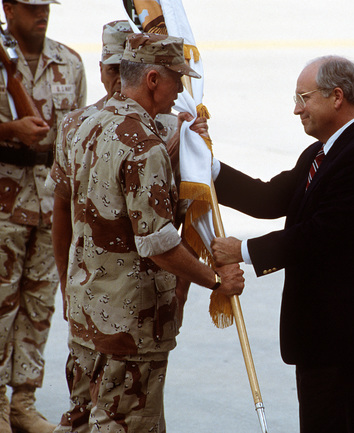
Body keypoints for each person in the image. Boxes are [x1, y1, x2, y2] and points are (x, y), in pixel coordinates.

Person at [51, 32, 244, 433]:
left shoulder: (79, 125)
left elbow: (66, 210)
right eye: (177, 78)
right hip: (130, 325)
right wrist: (216, 281)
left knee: (82, 420)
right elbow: (158, 245)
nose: (181, 90)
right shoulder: (144, 145)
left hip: (87, 311)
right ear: (153, 79)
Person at [210, 55, 354, 433]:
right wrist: (204, 166)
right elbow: (266, 198)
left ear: (336, 97)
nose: (297, 109)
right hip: (322, 336)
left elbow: (320, 235)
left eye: (303, 97)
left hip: (343, 337)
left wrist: (242, 252)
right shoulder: (321, 152)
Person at [0, 0, 86, 432]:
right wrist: (8, 131)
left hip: (52, 205)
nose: (42, 13)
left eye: (45, 6)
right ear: (8, 8)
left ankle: (23, 402)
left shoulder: (69, 62)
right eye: (32, 6)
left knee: (38, 308)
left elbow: (80, 136)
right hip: (3, 204)